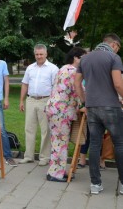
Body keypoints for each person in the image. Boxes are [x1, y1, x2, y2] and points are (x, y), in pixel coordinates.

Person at [74, 33, 123, 195]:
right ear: (114, 44)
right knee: (120, 144)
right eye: (118, 48)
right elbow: (117, 83)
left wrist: (84, 101)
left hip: (92, 108)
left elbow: (77, 83)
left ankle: (95, 184)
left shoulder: (85, 59)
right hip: (111, 107)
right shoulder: (114, 58)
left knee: (94, 144)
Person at [45, 47, 87, 182]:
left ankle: (57, 170)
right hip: (61, 111)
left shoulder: (64, 68)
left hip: (54, 109)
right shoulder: (74, 72)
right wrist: (85, 102)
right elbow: (78, 89)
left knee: (57, 141)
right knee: (61, 142)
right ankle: (55, 174)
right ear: (76, 57)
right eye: (84, 57)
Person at [19, 44, 59, 166]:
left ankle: (44, 157)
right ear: (34, 54)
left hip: (45, 100)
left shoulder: (53, 68)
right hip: (31, 100)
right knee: (29, 128)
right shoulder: (30, 68)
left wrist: (52, 103)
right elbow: (25, 84)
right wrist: (21, 100)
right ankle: (28, 156)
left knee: (45, 130)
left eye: (41, 54)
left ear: (46, 54)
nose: (39, 56)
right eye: (37, 54)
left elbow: (56, 87)